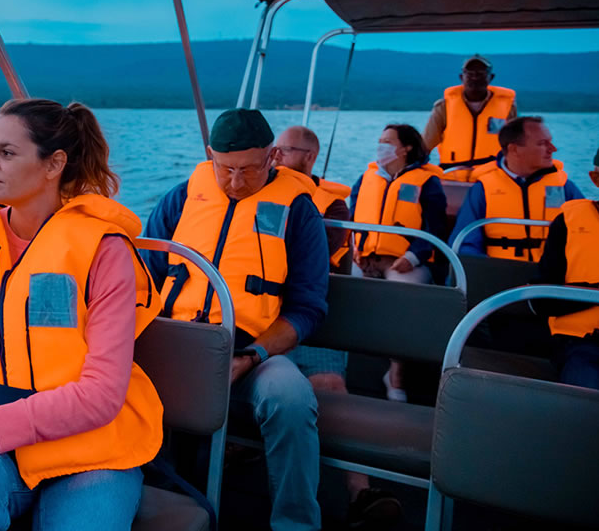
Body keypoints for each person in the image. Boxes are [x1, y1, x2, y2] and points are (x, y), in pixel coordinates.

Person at [0, 98, 164, 531]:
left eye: (6, 153)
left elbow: (100, 396)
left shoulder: (103, 250)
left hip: (90, 448)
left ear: (53, 164)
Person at [144, 109, 328, 531]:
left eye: (248, 170)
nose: (234, 182)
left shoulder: (299, 213)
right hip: (176, 342)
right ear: (210, 157)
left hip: (251, 351)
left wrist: (251, 356)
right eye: (225, 169)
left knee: (291, 398)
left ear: (272, 156)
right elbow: (144, 280)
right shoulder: (181, 198)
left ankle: (295, 523)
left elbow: (307, 309)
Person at [274, 125, 402, 527]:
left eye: (284, 151)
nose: (274, 158)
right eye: (272, 150)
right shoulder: (254, 193)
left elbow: (309, 254)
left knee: (326, 385)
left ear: (309, 158)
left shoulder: (332, 207)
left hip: (308, 315)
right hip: (257, 314)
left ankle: (359, 492)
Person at [350, 123, 447, 402]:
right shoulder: (367, 178)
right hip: (367, 258)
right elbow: (356, 217)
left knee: (401, 305)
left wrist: (413, 256)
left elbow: (436, 228)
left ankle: (396, 376)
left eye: (387, 141)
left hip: (405, 261)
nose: (380, 145)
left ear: (405, 147)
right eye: (379, 140)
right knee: (340, 290)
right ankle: (343, 369)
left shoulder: (426, 183)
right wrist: (357, 248)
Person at [449, 116, 585, 261]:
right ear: (514, 149)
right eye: (542, 144)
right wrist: (486, 272)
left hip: (553, 275)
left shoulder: (565, 187)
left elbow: (586, 234)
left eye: (550, 142)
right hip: (499, 273)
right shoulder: (483, 190)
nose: (553, 149)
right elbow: (465, 243)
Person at [529, 144, 599, 390]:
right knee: (587, 387)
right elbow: (542, 301)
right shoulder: (568, 224)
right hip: (582, 344)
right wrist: (596, 292)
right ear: (596, 179)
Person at [422, 54, 517, 181]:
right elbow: (425, 146)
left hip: (492, 180)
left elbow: (517, 146)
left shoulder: (507, 107)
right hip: (452, 179)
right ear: (462, 77)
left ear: (491, 77)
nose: (475, 78)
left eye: (481, 74)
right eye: (470, 74)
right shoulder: (444, 107)